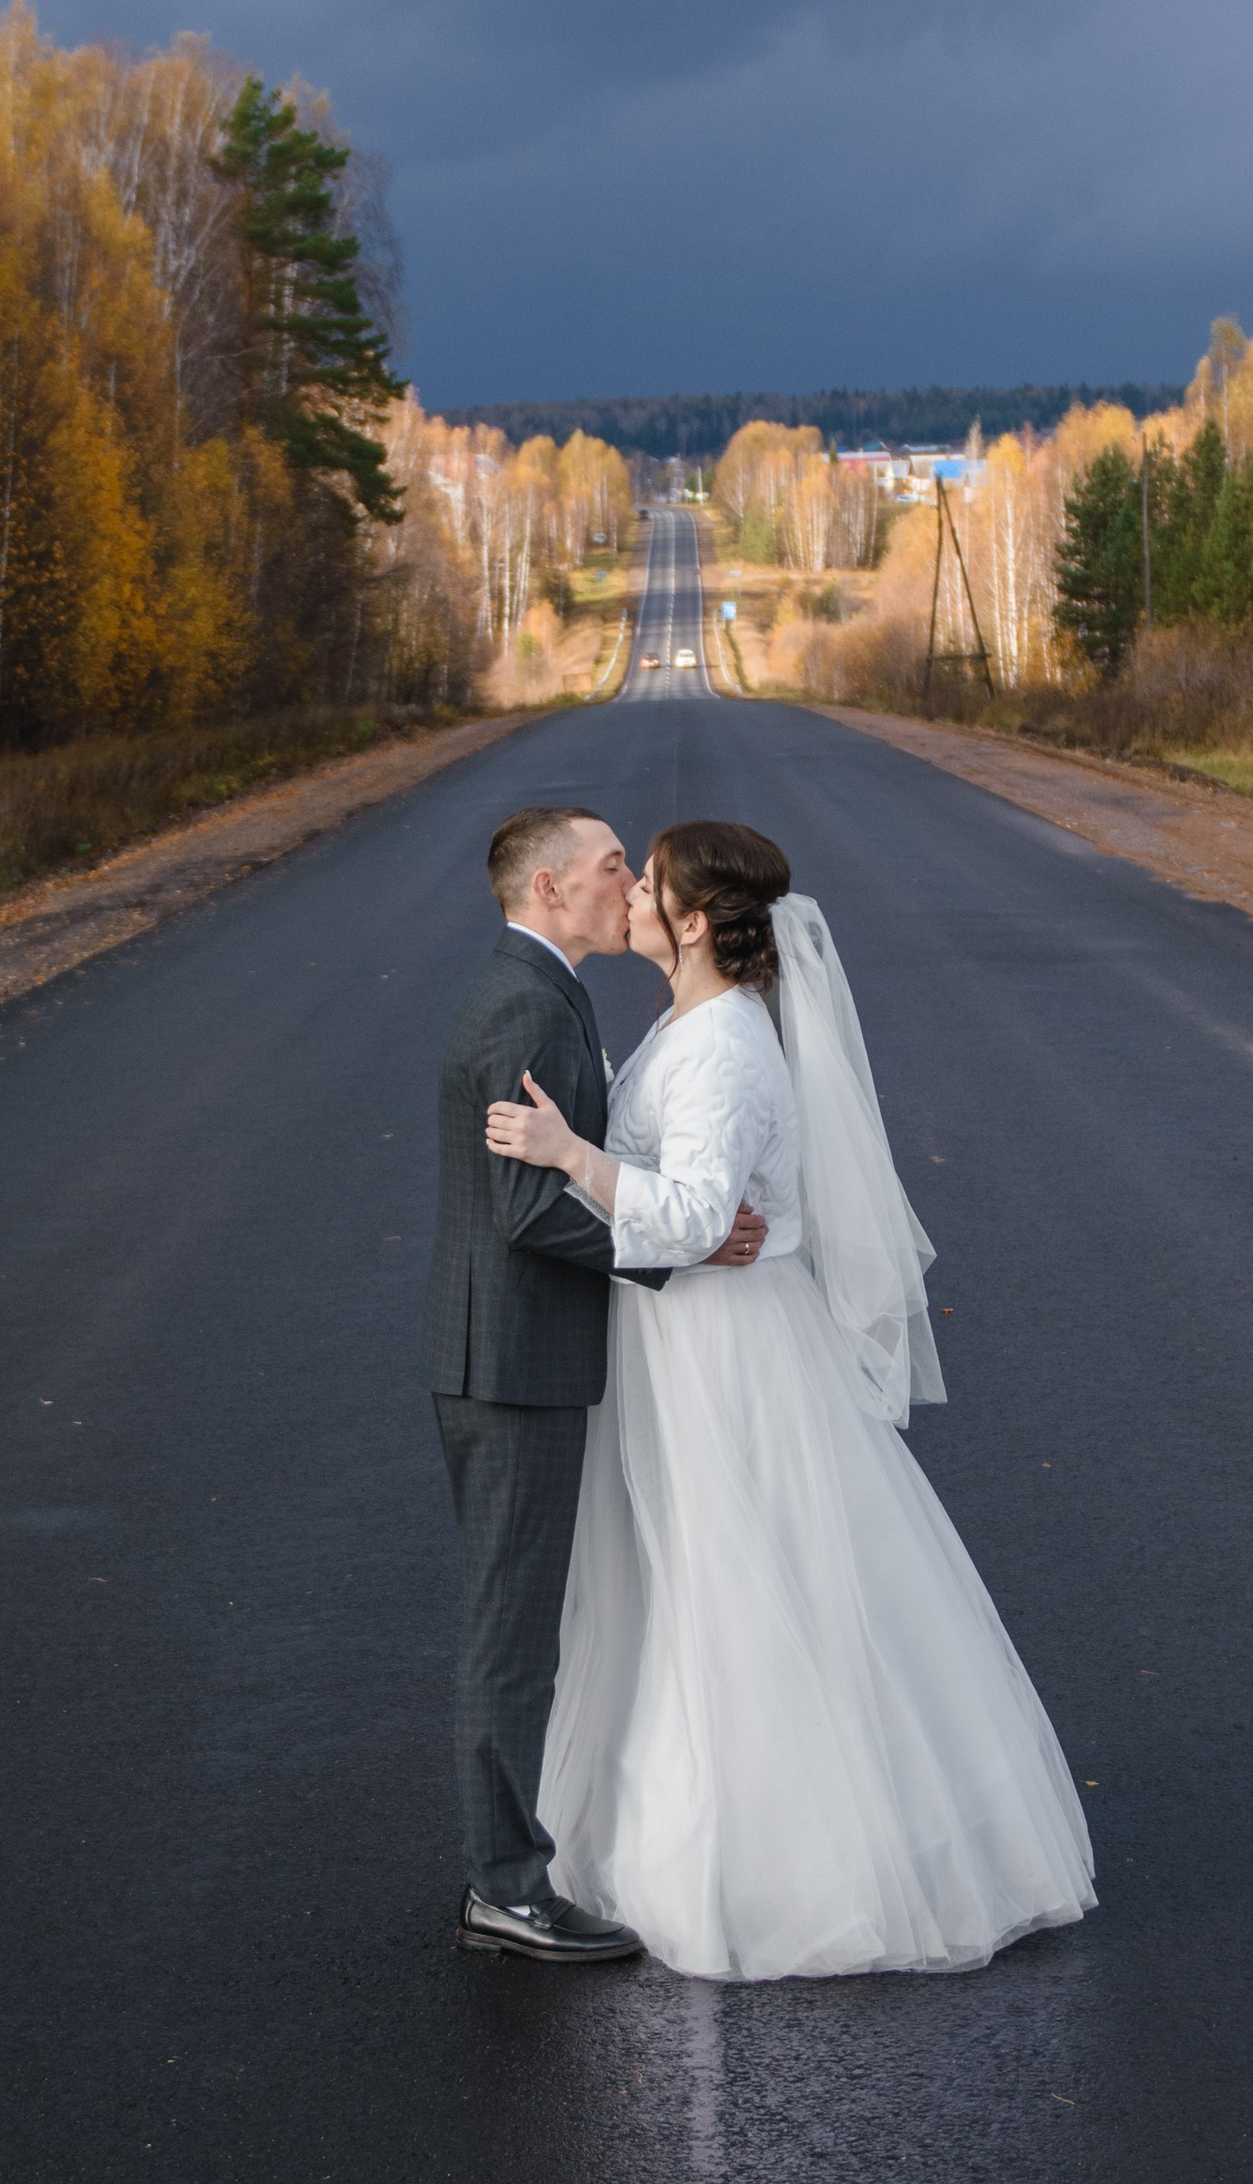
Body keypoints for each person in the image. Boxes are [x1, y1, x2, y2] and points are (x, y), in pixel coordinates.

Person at [485, 819, 1093, 1981]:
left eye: (647, 885)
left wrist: (568, 1155)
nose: (632, 898)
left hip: (725, 1353)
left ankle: (786, 1866)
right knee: (680, 1585)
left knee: (737, 1583)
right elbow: (688, 1203)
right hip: (679, 1335)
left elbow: (696, 1215)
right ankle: (686, 1827)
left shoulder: (722, 1045)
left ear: (693, 921)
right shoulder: (687, 1021)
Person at [428, 803, 767, 1962]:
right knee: (511, 1630)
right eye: (612, 865)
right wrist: (679, 1248)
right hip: (511, 1363)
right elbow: (528, 1211)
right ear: (547, 889)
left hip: (512, 1353)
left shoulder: (545, 988)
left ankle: (515, 1865)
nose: (629, 885)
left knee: (524, 1622)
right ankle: (505, 1888)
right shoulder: (527, 1004)